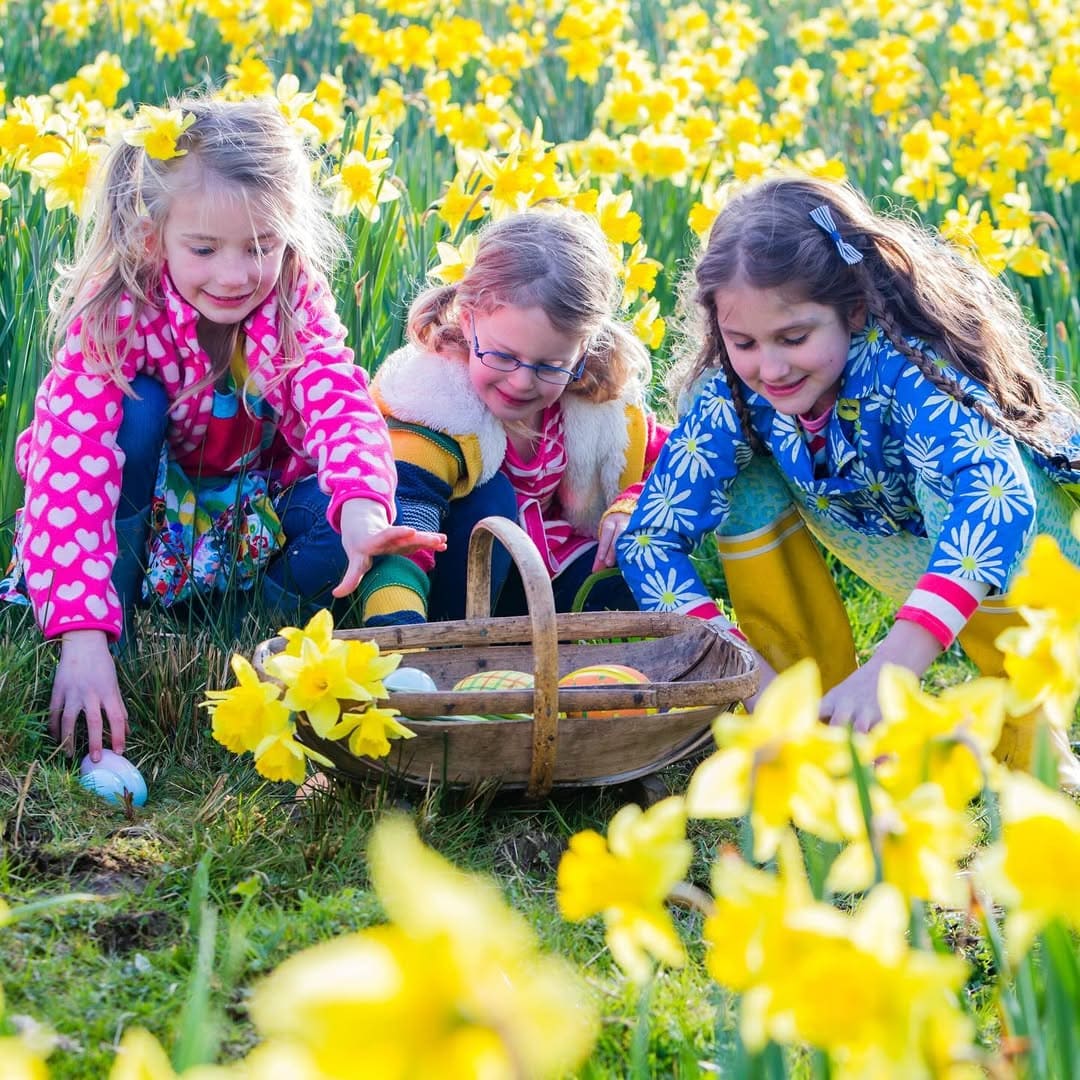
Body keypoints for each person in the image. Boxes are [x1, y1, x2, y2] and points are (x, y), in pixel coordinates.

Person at [0, 94, 444, 763]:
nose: (235, 276)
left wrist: (361, 507)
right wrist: (81, 638)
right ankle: (110, 627)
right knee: (134, 410)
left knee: (347, 517)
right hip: (145, 517)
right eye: (204, 249)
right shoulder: (117, 309)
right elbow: (70, 471)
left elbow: (338, 398)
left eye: (261, 246)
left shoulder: (292, 293)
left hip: (243, 521)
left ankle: (240, 636)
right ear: (152, 234)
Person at [616, 175, 1080, 777]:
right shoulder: (733, 394)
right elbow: (647, 542)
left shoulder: (908, 368)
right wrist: (749, 679)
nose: (771, 367)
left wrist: (894, 664)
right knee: (745, 483)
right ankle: (817, 720)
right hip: (919, 560)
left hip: (1048, 567)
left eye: (794, 337)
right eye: (743, 342)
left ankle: (1030, 738)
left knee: (978, 486)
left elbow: (998, 501)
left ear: (853, 308)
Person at [355, 206, 669, 626]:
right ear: (468, 320)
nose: (522, 382)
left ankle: (544, 632)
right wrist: (397, 629)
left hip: (544, 571)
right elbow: (407, 522)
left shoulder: (594, 404)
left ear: (582, 349)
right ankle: (462, 635)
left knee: (635, 568)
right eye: (503, 356)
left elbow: (674, 463)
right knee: (493, 499)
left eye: (550, 365)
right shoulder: (434, 402)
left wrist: (631, 507)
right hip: (454, 582)